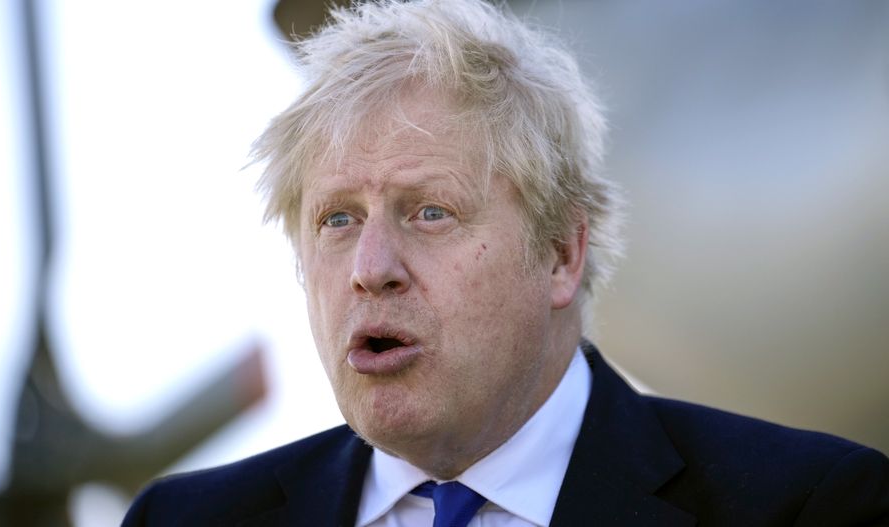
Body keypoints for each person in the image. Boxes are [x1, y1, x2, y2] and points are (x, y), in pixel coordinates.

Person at [122, 0, 889, 525]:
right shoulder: (181, 519)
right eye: (337, 219)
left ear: (561, 252)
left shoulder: (809, 505)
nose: (371, 267)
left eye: (431, 211)